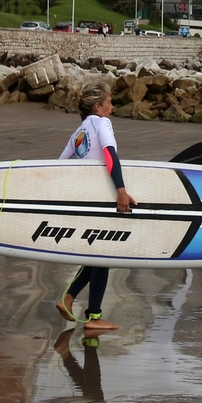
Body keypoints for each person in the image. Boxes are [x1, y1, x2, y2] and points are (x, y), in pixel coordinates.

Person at [53, 82, 135, 333]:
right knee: (102, 255)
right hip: (102, 198)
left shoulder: (79, 132)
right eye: (109, 101)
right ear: (97, 106)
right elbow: (110, 155)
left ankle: (69, 299)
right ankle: (92, 316)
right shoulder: (102, 124)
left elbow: (58, 165)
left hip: (84, 199)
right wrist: (121, 190)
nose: (112, 106)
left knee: (99, 254)